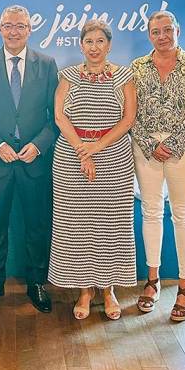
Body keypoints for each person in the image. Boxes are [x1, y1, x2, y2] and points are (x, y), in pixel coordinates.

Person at [0, 5, 59, 313]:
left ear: (30, 30)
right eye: (8, 26)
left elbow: (55, 117)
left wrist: (39, 145)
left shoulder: (46, 65)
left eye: (20, 26)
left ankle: (37, 283)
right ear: (0, 29)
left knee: (36, 226)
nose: (14, 31)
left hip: (35, 162)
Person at [49, 19, 137, 321]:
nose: (95, 47)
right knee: (77, 228)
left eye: (100, 41)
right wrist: (82, 152)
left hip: (113, 158)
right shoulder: (68, 76)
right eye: (89, 41)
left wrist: (95, 149)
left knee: (110, 226)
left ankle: (108, 289)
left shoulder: (124, 76)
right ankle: (84, 290)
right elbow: (60, 117)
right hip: (72, 157)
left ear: (109, 45)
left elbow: (128, 120)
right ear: (81, 45)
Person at [131, 11, 185, 320]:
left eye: (167, 29)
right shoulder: (137, 68)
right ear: (149, 36)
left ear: (177, 30)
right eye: (156, 31)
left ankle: (184, 288)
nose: (162, 35)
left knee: (183, 213)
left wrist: (173, 143)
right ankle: (152, 281)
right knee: (151, 211)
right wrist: (149, 144)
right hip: (145, 148)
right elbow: (130, 112)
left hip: (183, 147)